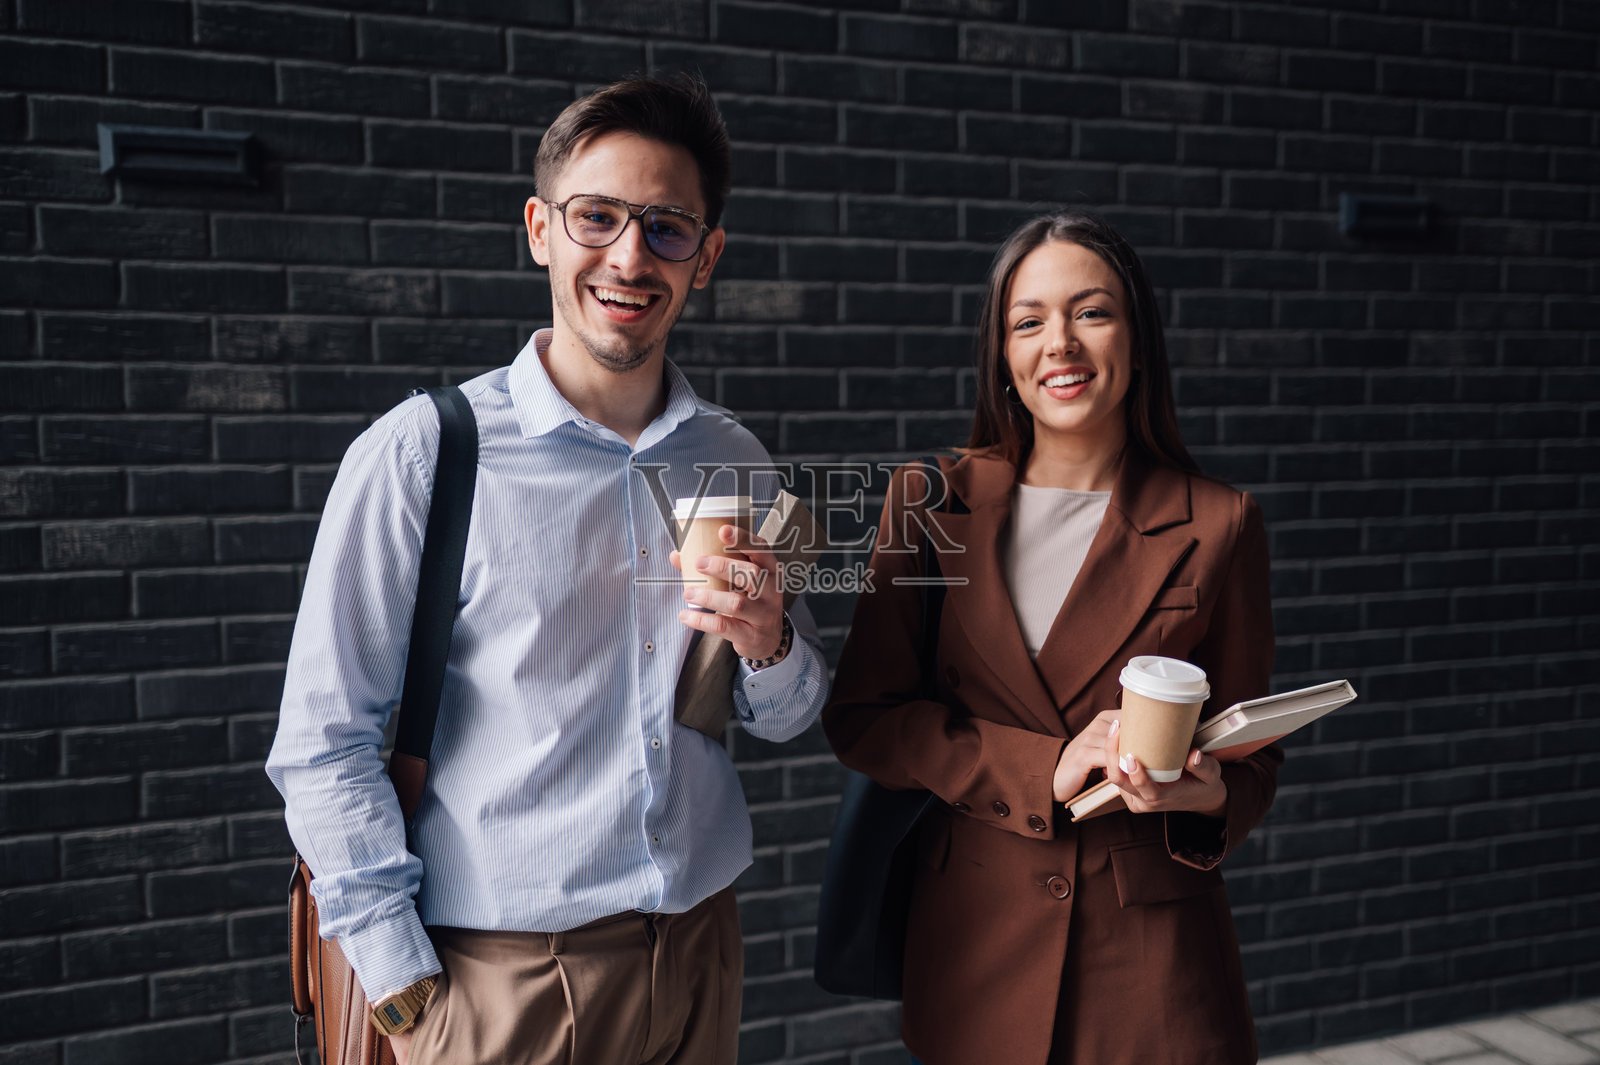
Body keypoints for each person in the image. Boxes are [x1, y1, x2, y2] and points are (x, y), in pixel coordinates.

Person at [267, 74, 828, 1065]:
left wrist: (768, 642)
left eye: (666, 228)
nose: (628, 257)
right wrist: (401, 987)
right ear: (539, 229)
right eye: (596, 217)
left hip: (697, 956)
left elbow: (782, 715)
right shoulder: (424, 453)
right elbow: (322, 742)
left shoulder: (736, 461)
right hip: (501, 985)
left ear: (707, 257)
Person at [822, 211, 1278, 1065]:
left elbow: (1253, 766)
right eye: (1028, 321)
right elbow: (866, 718)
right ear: (1002, 355)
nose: (1059, 343)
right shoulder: (931, 504)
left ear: (1137, 338)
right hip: (975, 952)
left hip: (1150, 975)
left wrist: (1205, 795)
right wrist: (1041, 766)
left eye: (1091, 312)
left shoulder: (1220, 524)